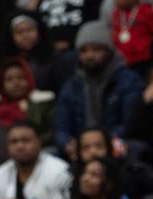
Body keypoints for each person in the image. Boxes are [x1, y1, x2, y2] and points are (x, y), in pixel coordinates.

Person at [55, 21, 145, 158]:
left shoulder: (128, 80)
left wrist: (99, 143)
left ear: (109, 51)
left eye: (96, 49)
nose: (89, 56)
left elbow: (130, 124)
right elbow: (61, 128)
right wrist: (68, 144)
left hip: (114, 142)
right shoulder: (72, 85)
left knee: (132, 148)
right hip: (81, 147)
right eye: (84, 51)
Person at [0, 122, 71, 199]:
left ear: (39, 142)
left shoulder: (59, 171)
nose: (20, 146)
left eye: (26, 140)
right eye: (14, 142)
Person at [0, 58, 55, 147]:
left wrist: (33, 144)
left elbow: (52, 132)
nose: (16, 83)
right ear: (1, 84)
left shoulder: (43, 102)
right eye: (9, 79)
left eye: (21, 78)